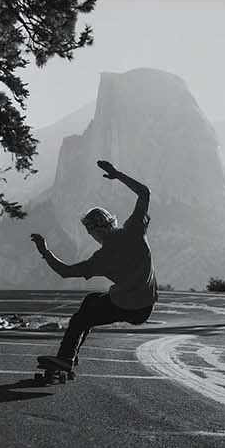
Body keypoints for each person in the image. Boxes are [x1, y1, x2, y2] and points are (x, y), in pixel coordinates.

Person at [30, 159, 157, 371]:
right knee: (92, 301)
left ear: (95, 231)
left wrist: (44, 251)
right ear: (112, 222)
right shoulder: (134, 229)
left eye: (90, 233)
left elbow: (65, 272)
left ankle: (66, 358)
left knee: (80, 319)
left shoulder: (102, 257)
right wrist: (117, 174)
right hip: (146, 307)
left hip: (126, 306)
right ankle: (71, 355)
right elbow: (145, 192)